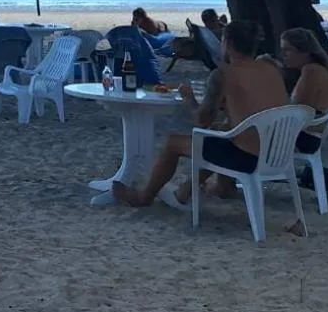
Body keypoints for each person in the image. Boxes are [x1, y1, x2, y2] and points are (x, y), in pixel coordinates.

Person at [113, 21, 290, 208]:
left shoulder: (224, 74)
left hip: (247, 158)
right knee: (220, 131)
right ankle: (216, 187)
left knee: (174, 142)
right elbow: (256, 107)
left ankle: (144, 197)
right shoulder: (272, 70)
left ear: (227, 43)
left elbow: (202, 121)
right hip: (278, 153)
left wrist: (189, 99)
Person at [281, 27, 328, 155]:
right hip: (311, 135)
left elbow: (296, 111)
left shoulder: (311, 72)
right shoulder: (320, 69)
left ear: (305, 51)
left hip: (304, 139)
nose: (283, 55)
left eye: (288, 50)